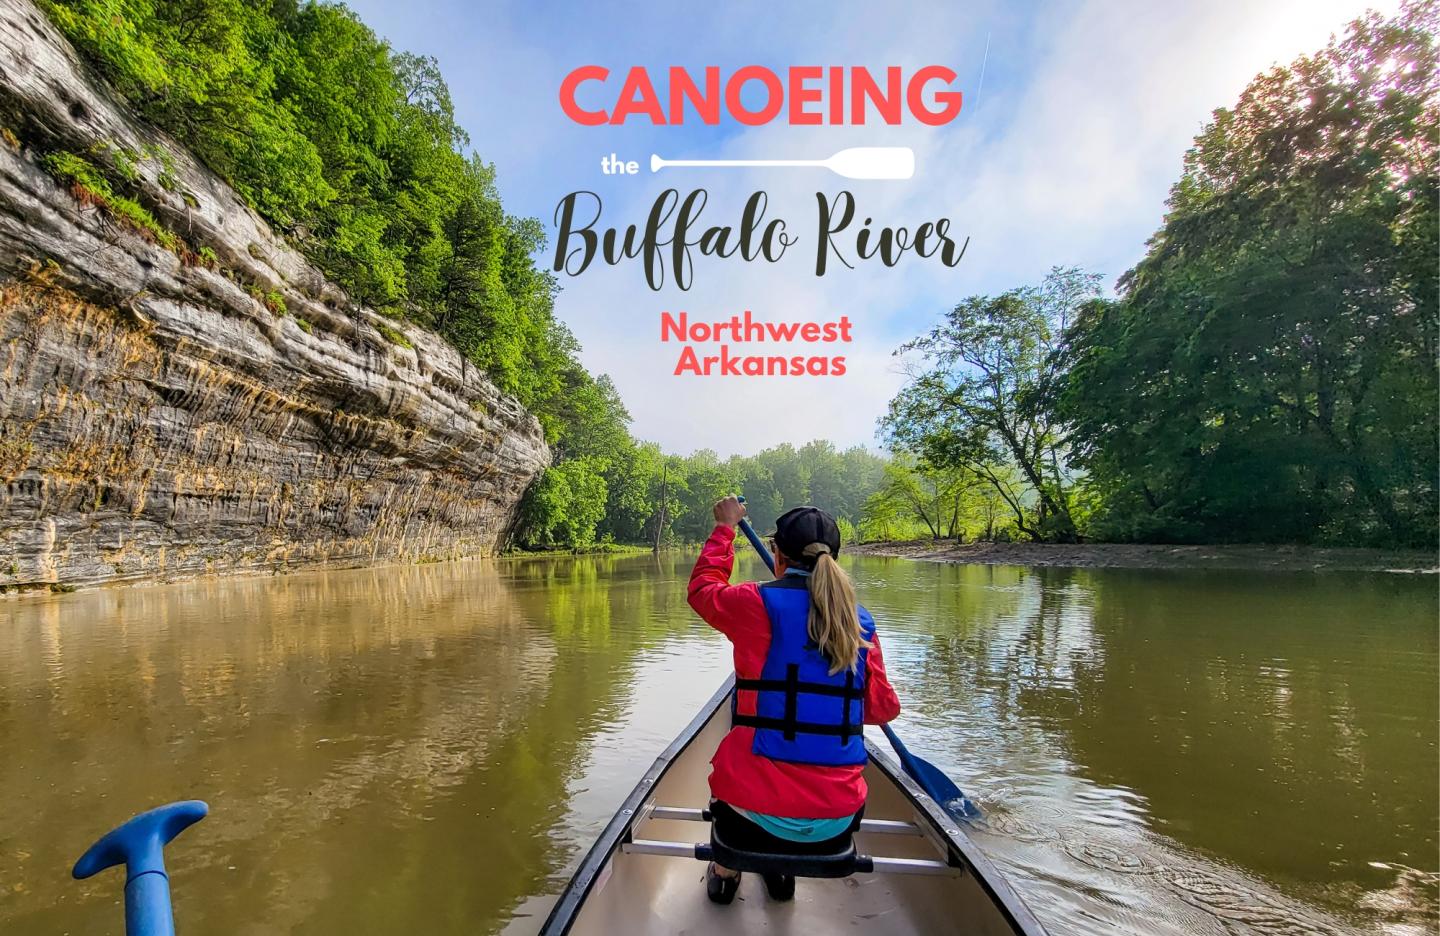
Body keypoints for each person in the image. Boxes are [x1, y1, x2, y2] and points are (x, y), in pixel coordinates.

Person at [687, 496, 901, 904]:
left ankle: (726, 869)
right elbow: (881, 710)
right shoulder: (860, 623)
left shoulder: (753, 603)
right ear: (834, 559)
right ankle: (780, 870)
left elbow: (703, 590)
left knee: (734, 765)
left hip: (750, 815)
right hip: (837, 819)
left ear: (777, 555)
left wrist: (725, 528)